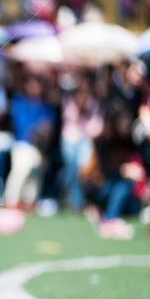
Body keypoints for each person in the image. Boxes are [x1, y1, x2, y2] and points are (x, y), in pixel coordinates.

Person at [80, 97, 145, 239]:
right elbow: (103, 170)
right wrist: (124, 170)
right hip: (101, 186)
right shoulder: (101, 140)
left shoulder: (129, 140)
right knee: (122, 184)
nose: (126, 123)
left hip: (121, 189)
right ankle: (109, 220)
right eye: (122, 120)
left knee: (125, 187)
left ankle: (107, 217)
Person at [4, 73, 57, 209]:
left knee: (35, 174)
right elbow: (20, 124)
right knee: (22, 169)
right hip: (22, 143)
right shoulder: (19, 101)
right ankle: (11, 199)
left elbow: (48, 127)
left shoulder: (46, 106)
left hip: (39, 147)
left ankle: (29, 201)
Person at [60, 71, 103, 212]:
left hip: (84, 140)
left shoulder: (94, 102)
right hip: (69, 139)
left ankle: (75, 199)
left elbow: (96, 125)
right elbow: (67, 120)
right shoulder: (70, 100)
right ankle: (75, 201)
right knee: (71, 168)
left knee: (82, 172)